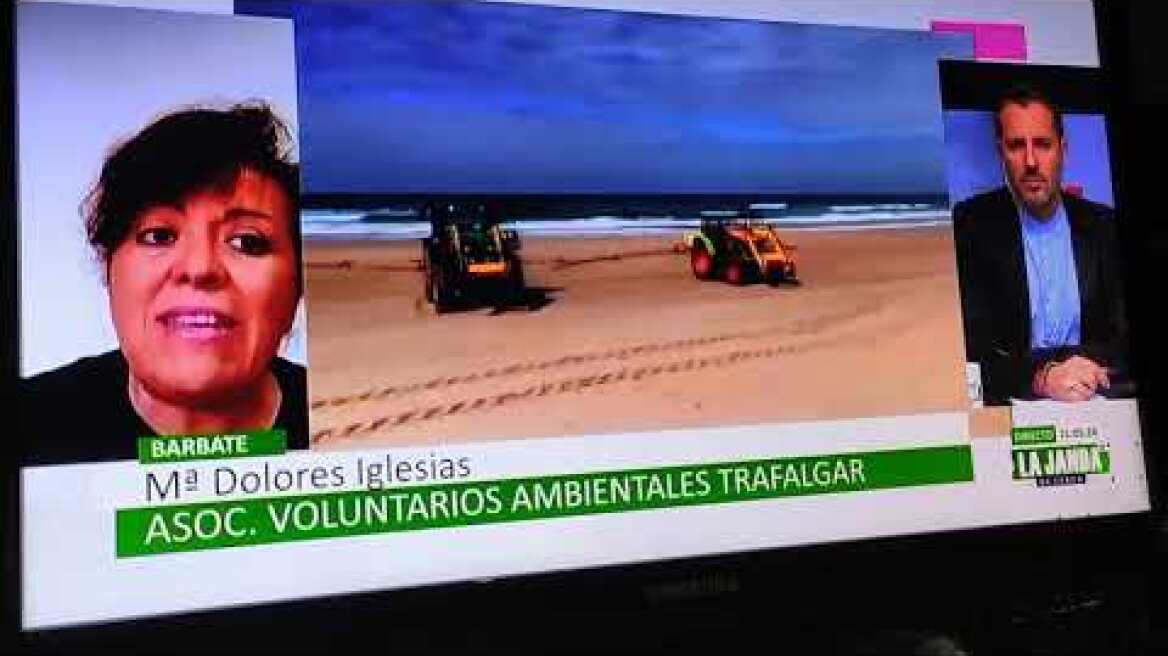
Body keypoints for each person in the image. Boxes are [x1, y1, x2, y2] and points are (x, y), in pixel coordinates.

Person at [21, 103, 308, 464]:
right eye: (158, 235)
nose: (200, 268)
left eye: (247, 242)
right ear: (110, 269)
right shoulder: (27, 424)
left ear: (298, 283)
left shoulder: (356, 423)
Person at [952, 84, 1128, 406]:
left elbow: (1124, 336)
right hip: (1012, 403)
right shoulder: (969, 226)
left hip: (1096, 396)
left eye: (1043, 145)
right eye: (1017, 145)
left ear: (1063, 148)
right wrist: (1043, 376)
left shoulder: (1105, 227)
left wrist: (1080, 367)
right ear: (1000, 151)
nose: (1031, 161)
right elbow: (968, 350)